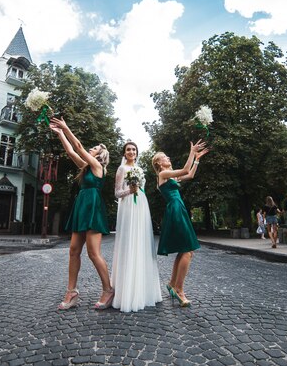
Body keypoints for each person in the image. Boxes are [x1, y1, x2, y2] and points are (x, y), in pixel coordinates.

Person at [50, 117, 114, 310]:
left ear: (100, 155)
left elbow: (77, 146)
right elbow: (71, 151)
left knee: (93, 253)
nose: (91, 148)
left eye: (94, 148)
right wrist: (60, 133)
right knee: (73, 251)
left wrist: (66, 126)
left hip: (92, 208)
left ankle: (108, 289)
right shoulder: (86, 167)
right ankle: (72, 292)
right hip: (82, 207)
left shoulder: (97, 166)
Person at [152, 140, 209, 307]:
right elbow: (185, 169)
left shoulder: (171, 176)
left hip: (179, 209)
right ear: (159, 163)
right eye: (164, 157)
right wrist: (191, 151)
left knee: (185, 250)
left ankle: (172, 284)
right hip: (175, 211)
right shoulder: (162, 175)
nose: (168, 157)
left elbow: (189, 174)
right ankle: (179, 289)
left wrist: (197, 159)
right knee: (188, 250)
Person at [111, 140, 162, 312]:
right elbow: (117, 192)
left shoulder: (140, 170)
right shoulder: (122, 169)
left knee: (140, 243)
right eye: (128, 149)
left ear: (137, 152)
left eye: (134, 149)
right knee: (128, 243)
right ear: (124, 153)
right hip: (127, 207)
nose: (131, 152)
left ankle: (143, 289)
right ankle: (126, 291)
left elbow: (142, 190)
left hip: (141, 205)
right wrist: (129, 191)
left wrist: (137, 191)